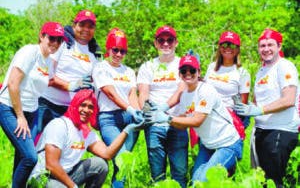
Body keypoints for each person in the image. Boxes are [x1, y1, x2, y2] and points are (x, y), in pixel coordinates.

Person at [145, 55, 243, 183]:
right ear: (179, 74)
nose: (188, 74)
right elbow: (183, 122)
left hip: (228, 144)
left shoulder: (206, 90)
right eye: (184, 71)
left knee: (204, 180)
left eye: (192, 70)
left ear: (199, 72)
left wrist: (168, 118)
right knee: (195, 181)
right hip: (208, 146)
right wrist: (161, 116)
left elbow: (197, 120)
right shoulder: (185, 95)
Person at [29, 89, 143, 187]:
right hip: (44, 177)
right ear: (74, 106)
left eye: (90, 107)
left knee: (100, 165)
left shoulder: (87, 132)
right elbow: (51, 165)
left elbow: (107, 154)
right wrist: (73, 186)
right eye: (82, 105)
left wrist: (127, 130)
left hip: (66, 175)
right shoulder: (59, 125)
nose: (86, 110)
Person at [0, 22, 65, 188]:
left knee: (22, 157)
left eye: (59, 40)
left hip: (32, 111)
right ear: (41, 36)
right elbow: (13, 84)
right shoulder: (30, 52)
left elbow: (45, 83)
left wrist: (73, 85)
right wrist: (20, 116)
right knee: (30, 157)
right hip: (10, 107)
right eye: (52, 38)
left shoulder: (49, 62)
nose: (55, 43)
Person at [233, 28, 299, 187]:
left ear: (279, 46)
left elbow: (289, 99)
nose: (266, 49)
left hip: (279, 131)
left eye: (270, 45)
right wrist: (248, 109)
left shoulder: (285, 67)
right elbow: (259, 101)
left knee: (273, 182)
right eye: (262, 46)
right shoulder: (262, 71)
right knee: (262, 181)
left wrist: (259, 110)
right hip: (261, 130)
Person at [32, 10, 99, 140]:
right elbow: (47, 75)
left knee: (59, 148)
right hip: (46, 104)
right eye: (82, 25)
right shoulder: (62, 43)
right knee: (35, 143)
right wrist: (71, 85)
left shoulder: (93, 54)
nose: (86, 29)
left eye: (90, 26)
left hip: (70, 111)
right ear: (74, 25)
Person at [137, 26, 188, 187]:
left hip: (177, 122)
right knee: (157, 174)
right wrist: (147, 110)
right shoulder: (147, 66)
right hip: (154, 125)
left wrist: (163, 108)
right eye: (161, 40)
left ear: (176, 42)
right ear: (156, 43)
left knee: (179, 172)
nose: (166, 44)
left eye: (170, 40)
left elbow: (181, 90)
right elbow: (143, 92)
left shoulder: (183, 64)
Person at [92, 28, 144, 188]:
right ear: (108, 49)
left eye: (123, 51)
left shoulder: (128, 71)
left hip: (128, 118)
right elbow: (110, 92)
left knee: (123, 163)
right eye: (115, 50)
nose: (119, 54)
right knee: (120, 158)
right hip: (108, 119)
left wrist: (138, 112)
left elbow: (131, 94)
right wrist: (130, 109)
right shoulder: (100, 67)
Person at [204, 31, 251, 128]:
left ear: (238, 49)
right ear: (219, 47)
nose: (228, 48)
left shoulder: (242, 72)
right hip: (209, 115)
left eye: (232, 45)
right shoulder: (211, 66)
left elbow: (243, 104)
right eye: (225, 44)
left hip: (228, 119)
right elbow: (204, 89)